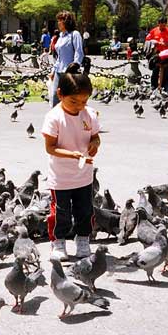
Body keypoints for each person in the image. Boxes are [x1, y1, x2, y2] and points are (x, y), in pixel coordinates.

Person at [42, 62, 101, 260]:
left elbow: (95, 137)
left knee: (85, 210)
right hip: (61, 177)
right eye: (74, 101)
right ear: (60, 94)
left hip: (84, 175)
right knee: (60, 212)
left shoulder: (89, 114)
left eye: (84, 101)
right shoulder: (54, 117)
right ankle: (58, 242)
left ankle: (83, 239)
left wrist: (95, 144)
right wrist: (73, 154)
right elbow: (50, 148)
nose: (80, 106)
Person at [49, 11, 84, 108]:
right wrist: (53, 71)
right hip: (58, 72)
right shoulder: (60, 36)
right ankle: (55, 121)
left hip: (69, 72)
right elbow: (59, 57)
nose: (58, 23)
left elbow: (79, 52)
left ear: (67, 22)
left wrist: (75, 66)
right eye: (58, 21)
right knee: (55, 98)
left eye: (61, 21)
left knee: (69, 99)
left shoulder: (74, 34)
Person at [147, 17, 168, 88]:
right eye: (161, 25)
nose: (162, 27)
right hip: (157, 53)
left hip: (166, 54)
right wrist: (154, 42)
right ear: (158, 23)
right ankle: (154, 86)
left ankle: (164, 86)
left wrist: (165, 44)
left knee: (165, 70)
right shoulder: (154, 31)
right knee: (155, 70)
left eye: (164, 25)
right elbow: (148, 40)